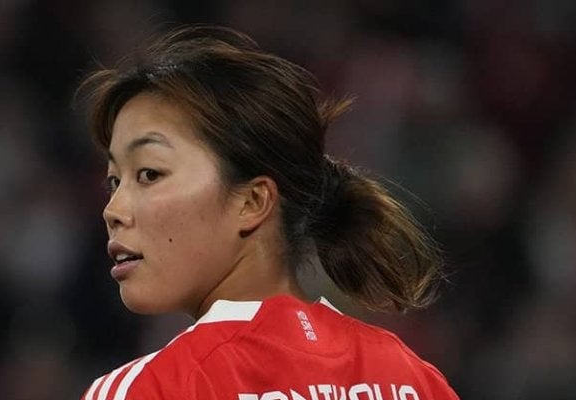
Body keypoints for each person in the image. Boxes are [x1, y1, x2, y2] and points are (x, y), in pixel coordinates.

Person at [76, 25, 459, 400]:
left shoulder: (154, 389)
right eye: (114, 181)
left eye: (149, 174)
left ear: (253, 201)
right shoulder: (413, 379)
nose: (113, 209)